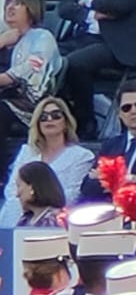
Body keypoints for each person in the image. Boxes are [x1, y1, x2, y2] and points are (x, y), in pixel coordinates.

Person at [0, 97, 93, 226]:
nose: (49, 120)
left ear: (66, 122)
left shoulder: (82, 156)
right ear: (37, 124)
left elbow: (70, 196)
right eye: (43, 117)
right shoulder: (27, 152)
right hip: (16, 218)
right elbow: (12, 191)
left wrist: (34, 203)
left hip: (56, 224)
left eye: (56, 115)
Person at [0, 0, 60, 153]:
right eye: (8, 3)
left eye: (18, 3)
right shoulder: (3, 37)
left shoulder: (42, 37)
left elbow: (30, 69)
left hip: (26, 103)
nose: (10, 7)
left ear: (32, 8)